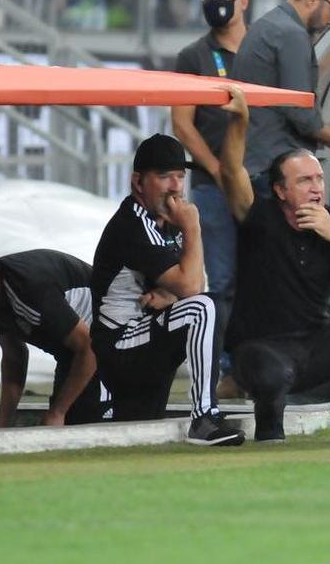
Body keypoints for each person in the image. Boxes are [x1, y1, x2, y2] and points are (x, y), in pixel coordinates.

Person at [217, 85, 330, 444]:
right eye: (304, 180)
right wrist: (240, 121)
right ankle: (269, 426)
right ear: (280, 190)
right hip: (260, 349)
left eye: (319, 178)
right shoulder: (260, 215)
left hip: (317, 346)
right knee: (268, 370)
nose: (317, 188)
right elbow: (230, 171)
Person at [88, 133, 244, 446]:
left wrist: (171, 294)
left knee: (136, 433)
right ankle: (204, 417)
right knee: (204, 308)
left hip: (146, 337)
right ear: (138, 182)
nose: (175, 186)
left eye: (180, 177)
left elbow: (191, 285)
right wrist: (193, 227)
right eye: (164, 177)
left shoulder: (167, 219)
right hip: (119, 345)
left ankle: (203, 415)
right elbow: (193, 288)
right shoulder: (133, 224)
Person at [171, 0, 250, 394]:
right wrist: (220, 171)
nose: (215, 1)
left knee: (263, 278)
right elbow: (183, 125)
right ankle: (218, 370)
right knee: (221, 282)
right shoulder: (194, 56)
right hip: (212, 186)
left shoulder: (260, 50)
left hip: (258, 183)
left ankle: (256, 367)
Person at [0, 249, 107, 427]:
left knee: (85, 422)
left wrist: (58, 412)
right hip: (73, 351)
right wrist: (2, 425)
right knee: (62, 423)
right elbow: (14, 357)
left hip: (108, 338)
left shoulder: (32, 289)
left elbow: (88, 347)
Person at [230, 0, 330, 181]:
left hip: (254, 163)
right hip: (274, 169)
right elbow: (300, 112)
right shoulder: (291, 34)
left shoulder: (267, 24)